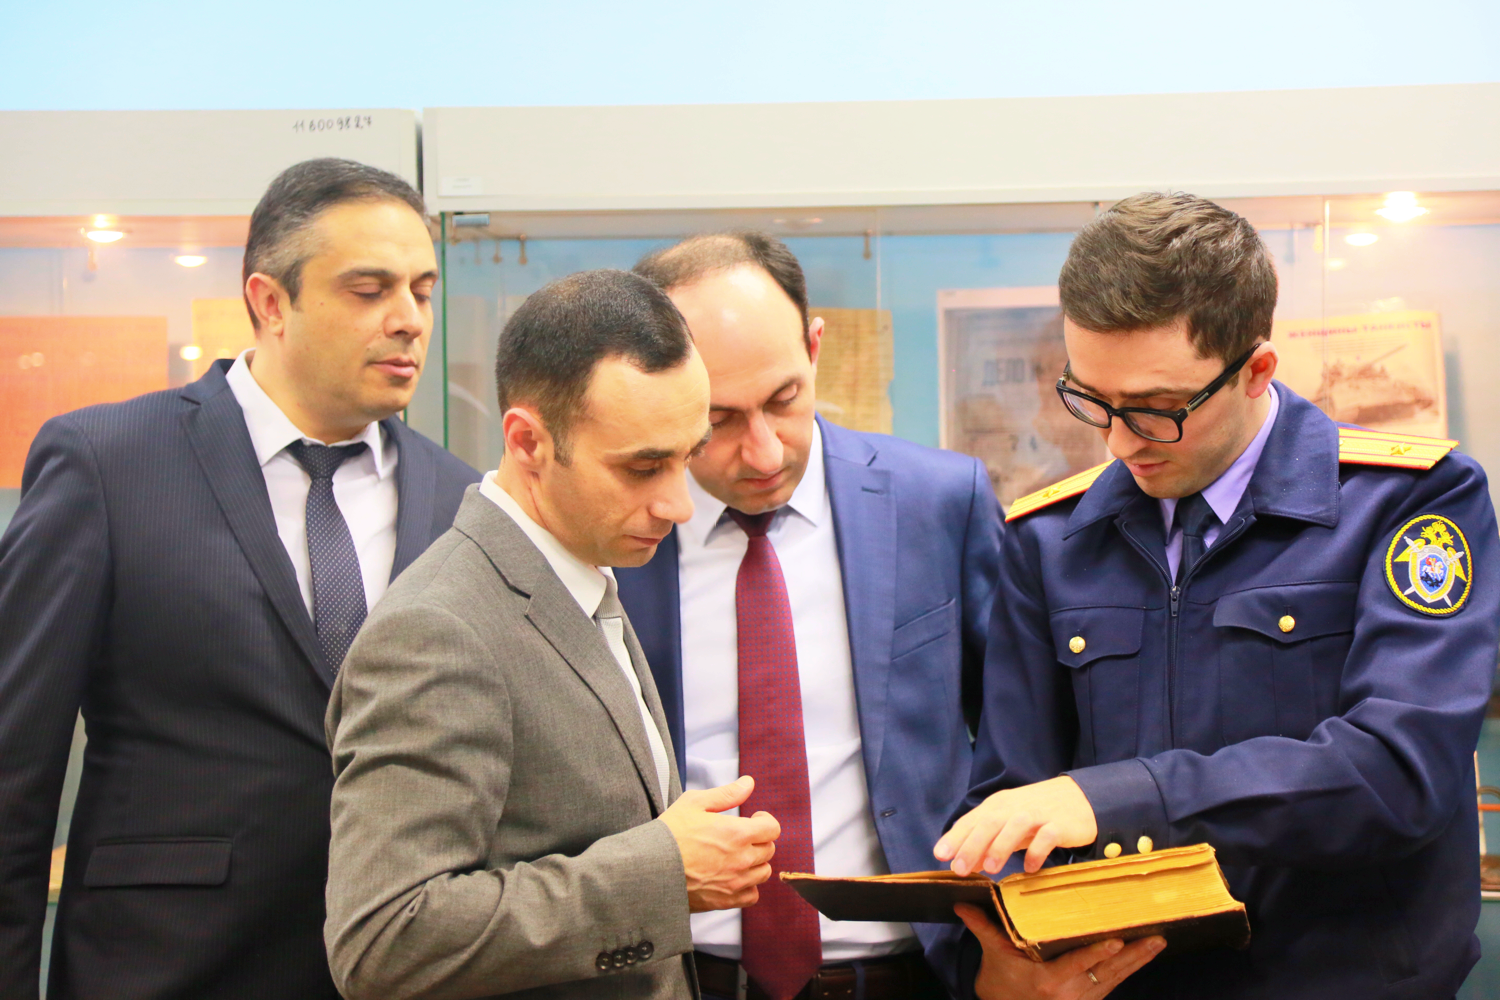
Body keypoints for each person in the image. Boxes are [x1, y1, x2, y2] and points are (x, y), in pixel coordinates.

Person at [933, 192, 1500, 999]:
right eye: (1091, 399)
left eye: (1158, 411)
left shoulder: (1409, 503)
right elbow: (1011, 799)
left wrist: (1125, 797)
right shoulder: (1050, 539)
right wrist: (996, 966)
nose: (1119, 442)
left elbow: (1398, 770)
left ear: (1257, 370)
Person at [0, 157, 479, 999]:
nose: (409, 320)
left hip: (396, 970)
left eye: (422, 290)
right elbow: (14, 767)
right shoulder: (108, 464)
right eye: (370, 290)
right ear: (270, 301)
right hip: (165, 965)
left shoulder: (461, 499)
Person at [323, 269, 780, 1000]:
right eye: (643, 467)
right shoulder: (437, 631)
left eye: (688, 456)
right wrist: (662, 873)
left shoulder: (582, 572)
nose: (678, 504)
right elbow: (384, 939)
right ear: (528, 441)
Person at [615, 232, 1003, 1000]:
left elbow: (1020, 744)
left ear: (815, 346)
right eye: (719, 420)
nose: (763, 452)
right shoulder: (615, 539)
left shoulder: (939, 502)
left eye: (785, 399)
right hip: (681, 976)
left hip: (910, 974)